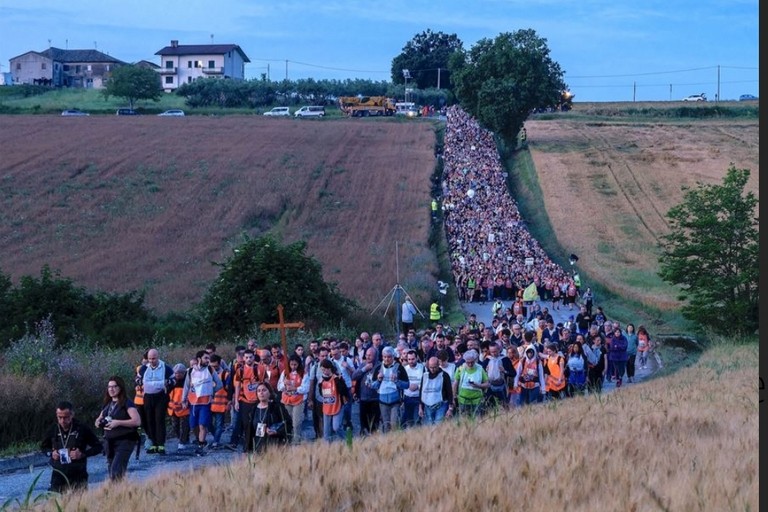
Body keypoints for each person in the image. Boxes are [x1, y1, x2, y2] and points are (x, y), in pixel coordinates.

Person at [41, 401, 102, 493]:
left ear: (72, 415)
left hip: (78, 473)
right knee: (56, 503)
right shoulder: (53, 429)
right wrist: (51, 453)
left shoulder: (82, 428)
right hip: (58, 473)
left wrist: (82, 454)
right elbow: (44, 447)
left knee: (79, 504)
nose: (62, 421)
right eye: (59, 417)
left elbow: (98, 447)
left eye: (65, 417)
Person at [95, 376, 141, 481]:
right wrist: (98, 422)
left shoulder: (127, 403)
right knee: (112, 471)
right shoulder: (107, 403)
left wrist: (118, 423)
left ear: (120, 388)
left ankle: (121, 493)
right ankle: (116, 494)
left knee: (117, 471)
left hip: (125, 441)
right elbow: (99, 419)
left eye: (114, 386)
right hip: (110, 442)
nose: (111, 389)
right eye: (109, 387)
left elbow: (137, 421)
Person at [182, 350, 223, 456]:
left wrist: (211, 391)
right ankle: (200, 440)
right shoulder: (191, 371)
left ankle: (201, 445)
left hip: (205, 403)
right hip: (193, 403)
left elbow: (219, 384)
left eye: (208, 358)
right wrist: (184, 399)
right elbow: (186, 386)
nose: (208, 360)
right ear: (199, 359)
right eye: (205, 358)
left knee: (202, 425)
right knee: (193, 425)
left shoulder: (210, 369)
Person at [137, 348, 174, 455]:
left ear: (158, 357)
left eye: (153, 358)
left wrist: (168, 383)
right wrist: (139, 382)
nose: (151, 361)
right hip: (148, 396)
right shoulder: (144, 368)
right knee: (149, 420)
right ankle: (153, 444)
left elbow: (174, 379)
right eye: (149, 359)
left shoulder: (165, 368)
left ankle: (161, 444)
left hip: (161, 396)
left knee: (159, 419)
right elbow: (136, 378)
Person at [370, 346, 409, 434]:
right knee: (386, 425)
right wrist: (378, 380)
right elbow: (373, 386)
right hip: (383, 401)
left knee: (394, 424)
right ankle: (387, 445)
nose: (387, 359)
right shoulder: (378, 368)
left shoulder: (399, 368)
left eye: (389, 357)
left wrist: (397, 381)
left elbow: (407, 385)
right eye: (385, 357)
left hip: (395, 401)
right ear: (382, 357)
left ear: (393, 357)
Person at [248, 382, 292, 454]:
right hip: (257, 446)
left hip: (274, 445)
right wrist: (247, 449)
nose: (261, 393)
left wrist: (277, 431)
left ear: (269, 392)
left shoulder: (277, 407)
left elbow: (288, 423)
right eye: (258, 391)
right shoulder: (253, 409)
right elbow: (250, 430)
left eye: (264, 390)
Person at [277, 354, 310, 444]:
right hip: (287, 400)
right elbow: (279, 387)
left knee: (296, 422)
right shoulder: (285, 373)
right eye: (291, 364)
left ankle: (296, 441)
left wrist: (295, 388)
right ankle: (290, 439)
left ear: (299, 364)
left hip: (298, 401)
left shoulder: (304, 373)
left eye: (295, 364)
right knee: (289, 421)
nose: (293, 367)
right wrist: (284, 383)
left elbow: (306, 388)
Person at [318, 359, 351, 442]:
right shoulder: (321, 380)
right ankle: (327, 450)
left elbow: (344, 391)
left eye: (325, 369)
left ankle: (348, 440)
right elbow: (322, 394)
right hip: (327, 406)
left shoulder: (337, 378)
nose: (324, 371)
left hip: (337, 405)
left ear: (330, 368)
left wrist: (339, 381)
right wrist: (320, 385)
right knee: (326, 432)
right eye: (322, 370)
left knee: (336, 427)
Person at [352, 347, 381, 435]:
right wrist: (364, 369)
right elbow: (354, 376)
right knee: (363, 425)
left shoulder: (380, 366)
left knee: (374, 425)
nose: (367, 357)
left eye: (370, 355)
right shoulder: (363, 364)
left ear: (375, 356)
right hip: (363, 399)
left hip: (375, 399)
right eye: (366, 355)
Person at [452, 349, 489, 417]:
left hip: (477, 400)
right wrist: (454, 397)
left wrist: (478, 385)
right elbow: (455, 383)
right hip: (463, 400)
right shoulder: (460, 369)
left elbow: (487, 384)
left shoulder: (480, 369)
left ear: (475, 360)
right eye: (468, 362)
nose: (470, 364)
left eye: (472, 362)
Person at [418, 357, 454, 425]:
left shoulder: (444, 375)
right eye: (431, 367)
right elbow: (421, 392)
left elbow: (450, 392)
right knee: (428, 426)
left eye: (434, 367)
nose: (432, 369)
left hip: (441, 405)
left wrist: (450, 408)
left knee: (438, 426)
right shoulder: (425, 376)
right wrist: (420, 407)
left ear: (438, 365)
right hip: (427, 406)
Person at [166, 364, 190, 450]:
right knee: (175, 426)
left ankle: (182, 442)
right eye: (176, 373)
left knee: (184, 426)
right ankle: (183, 439)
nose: (178, 375)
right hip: (172, 409)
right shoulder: (171, 382)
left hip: (184, 409)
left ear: (184, 373)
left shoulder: (187, 382)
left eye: (180, 373)